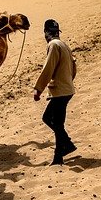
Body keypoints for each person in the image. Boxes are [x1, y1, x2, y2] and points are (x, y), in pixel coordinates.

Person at [33, 18, 77, 165]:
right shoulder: (63, 44)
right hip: (67, 88)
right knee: (55, 122)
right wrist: (69, 81)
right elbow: (74, 66)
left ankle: (60, 156)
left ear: (46, 33)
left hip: (60, 90)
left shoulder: (53, 45)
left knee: (52, 121)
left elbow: (48, 68)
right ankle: (66, 147)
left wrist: (38, 89)